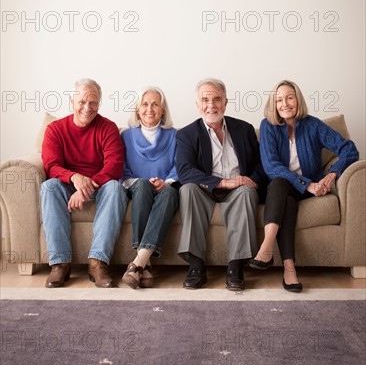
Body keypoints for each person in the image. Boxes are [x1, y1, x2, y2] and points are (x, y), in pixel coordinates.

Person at [250, 79, 359, 292]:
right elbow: (272, 167)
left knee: (286, 192)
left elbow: (349, 149)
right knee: (283, 190)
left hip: (308, 189)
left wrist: (333, 174)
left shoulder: (313, 125)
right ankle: (287, 267)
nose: (284, 103)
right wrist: (306, 184)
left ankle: (266, 250)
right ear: (273, 105)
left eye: (289, 97)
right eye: (278, 100)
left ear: (297, 99)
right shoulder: (268, 126)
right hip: (280, 188)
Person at [176, 78, 267, 291]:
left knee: (246, 192)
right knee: (187, 189)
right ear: (197, 104)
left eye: (217, 99)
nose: (211, 104)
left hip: (238, 188)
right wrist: (222, 182)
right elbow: (184, 171)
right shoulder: (186, 134)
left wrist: (251, 180)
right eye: (205, 99)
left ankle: (235, 267)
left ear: (225, 103)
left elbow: (261, 163)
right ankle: (196, 266)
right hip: (205, 189)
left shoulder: (244, 129)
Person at [41, 78, 126, 288]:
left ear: (99, 104)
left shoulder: (108, 128)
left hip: (100, 186)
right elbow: (51, 165)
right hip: (67, 184)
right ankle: (60, 264)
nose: (87, 108)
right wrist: (73, 178)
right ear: (72, 101)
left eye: (93, 103)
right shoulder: (55, 129)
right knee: (49, 186)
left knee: (116, 188)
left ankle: (97, 262)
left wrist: (87, 186)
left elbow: (114, 166)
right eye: (82, 102)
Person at [121, 87, 179, 289]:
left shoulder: (174, 136)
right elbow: (122, 169)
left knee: (171, 193)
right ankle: (144, 263)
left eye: (155, 104)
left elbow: (178, 166)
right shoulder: (126, 136)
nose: (149, 109)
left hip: (166, 188)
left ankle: (139, 264)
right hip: (137, 189)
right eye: (144, 104)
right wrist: (140, 182)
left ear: (163, 110)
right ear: (137, 110)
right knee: (143, 184)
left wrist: (166, 182)